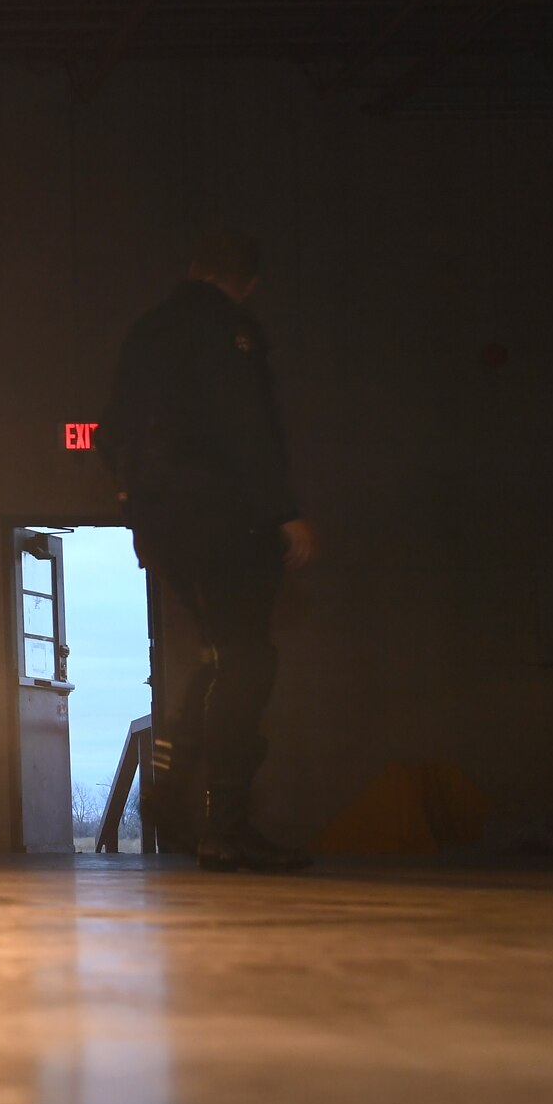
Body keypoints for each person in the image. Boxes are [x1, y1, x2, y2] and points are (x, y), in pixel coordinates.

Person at [97, 229, 318, 873]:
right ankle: (225, 822)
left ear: (194, 267)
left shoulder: (148, 331)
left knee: (223, 655)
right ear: (246, 281)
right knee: (248, 661)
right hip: (223, 517)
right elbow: (245, 422)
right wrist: (285, 511)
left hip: (164, 524)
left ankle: (173, 791)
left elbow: (112, 432)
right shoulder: (228, 329)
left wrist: (135, 503)